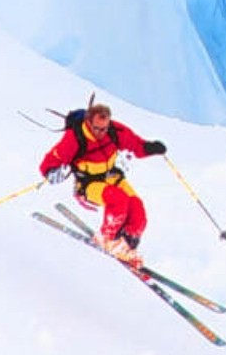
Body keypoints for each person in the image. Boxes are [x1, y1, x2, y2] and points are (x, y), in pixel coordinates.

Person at [39, 103, 166, 267]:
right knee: (118, 199)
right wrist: (52, 172)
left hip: (111, 177)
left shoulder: (115, 131)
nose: (100, 133)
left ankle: (126, 246)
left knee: (137, 208)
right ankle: (107, 239)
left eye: (104, 128)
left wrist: (151, 148)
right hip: (88, 185)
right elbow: (49, 163)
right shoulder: (75, 138)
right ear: (88, 122)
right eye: (97, 128)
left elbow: (136, 145)